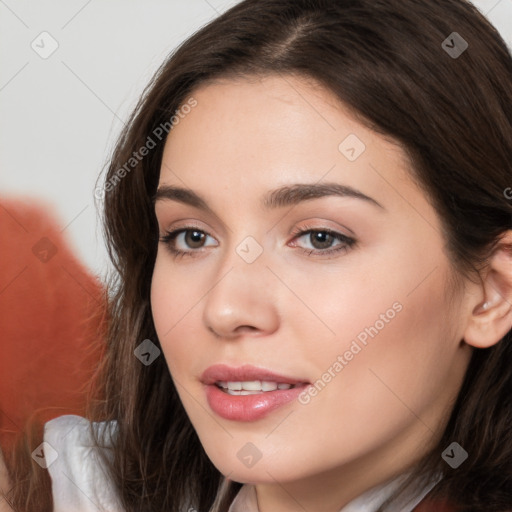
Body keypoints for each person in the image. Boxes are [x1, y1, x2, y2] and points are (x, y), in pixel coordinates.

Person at [3, 0, 512, 510]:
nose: (225, 309)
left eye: (320, 238)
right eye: (192, 237)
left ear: (493, 293)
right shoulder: (52, 491)